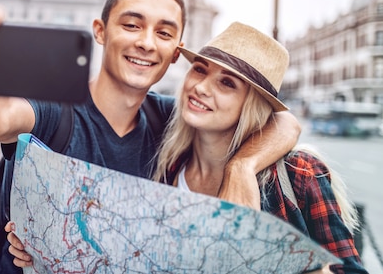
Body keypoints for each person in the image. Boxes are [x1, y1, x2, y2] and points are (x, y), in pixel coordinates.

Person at [0, 0, 301, 272]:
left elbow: (284, 124)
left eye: (164, 33)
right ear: (101, 31)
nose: (147, 42)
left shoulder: (168, 119)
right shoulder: (54, 110)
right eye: (131, 25)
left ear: (175, 51)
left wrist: (242, 166)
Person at [149, 22, 365, 273]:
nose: (201, 87)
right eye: (199, 69)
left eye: (227, 83)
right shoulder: (168, 164)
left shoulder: (298, 173)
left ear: (251, 105)